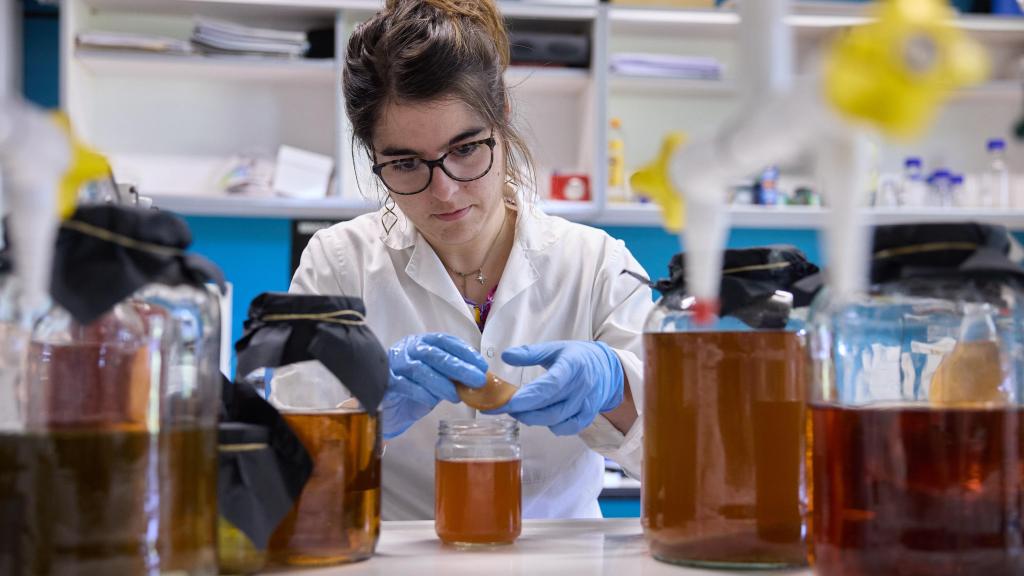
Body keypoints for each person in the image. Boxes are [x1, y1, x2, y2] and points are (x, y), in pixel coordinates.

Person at [290, 0, 653, 520]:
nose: (444, 191)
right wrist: (360, 416)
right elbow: (280, 473)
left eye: (465, 149)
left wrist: (616, 387)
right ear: (374, 157)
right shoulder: (339, 264)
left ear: (500, 116)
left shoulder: (596, 265)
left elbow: (696, 461)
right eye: (406, 163)